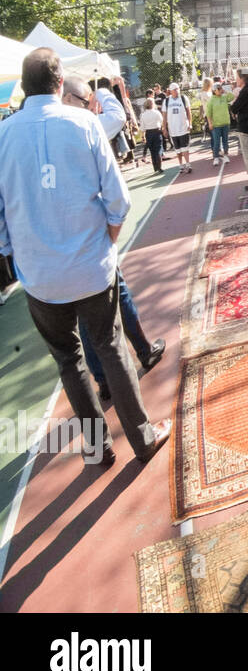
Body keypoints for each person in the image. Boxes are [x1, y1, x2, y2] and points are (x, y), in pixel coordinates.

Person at [0, 49, 171, 467]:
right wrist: (107, 244)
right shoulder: (84, 123)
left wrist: (13, 257)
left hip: (39, 276)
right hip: (91, 267)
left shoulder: (4, 135)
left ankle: (98, 448)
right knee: (110, 347)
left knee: (68, 361)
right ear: (61, 84)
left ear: (25, 86)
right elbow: (119, 200)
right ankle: (142, 438)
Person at [62, 78, 166, 401]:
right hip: (91, 242)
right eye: (85, 99)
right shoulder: (83, 126)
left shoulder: (18, 136)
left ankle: (104, 380)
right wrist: (108, 90)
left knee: (83, 322)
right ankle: (140, 357)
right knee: (116, 304)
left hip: (58, 252)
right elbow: (118, 116)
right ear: (67, 97)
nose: (91, 105)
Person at [163, 82, 194, 173]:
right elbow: (164, 116)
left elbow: (189, 112)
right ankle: (181, 165)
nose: (177, 91)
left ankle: (188, 164)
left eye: (177, 89)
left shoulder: (184, 98)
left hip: (183, 127)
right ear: (170, 91)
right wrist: (164, 128)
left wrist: (190, 123)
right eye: (174, 90)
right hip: (173, 129)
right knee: (178, 149)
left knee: (185, 148)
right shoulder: (167, 101)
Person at [205, 79, 233, 168]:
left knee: (225, 141)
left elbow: (232, 97)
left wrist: (226, 91)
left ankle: (225, 155)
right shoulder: (211, 101)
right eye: (219, 89)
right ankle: (216, 157)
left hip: (225, 123)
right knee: (216, 142)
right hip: (216, 125)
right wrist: (210, 123)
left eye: (221, 88)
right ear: (214, 90)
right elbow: (208, 114)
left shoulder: (224, 97)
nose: (221, 90)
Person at [139, 97, 164, 173]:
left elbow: (142, 128)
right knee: (158, 149)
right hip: (157, 132)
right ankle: (159, 167)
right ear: (153, 104)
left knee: (152, 151)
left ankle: (155, 167)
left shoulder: (143, 115)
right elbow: (162, 121)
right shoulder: (156, 112)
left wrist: (143, 136)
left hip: (148, 134)